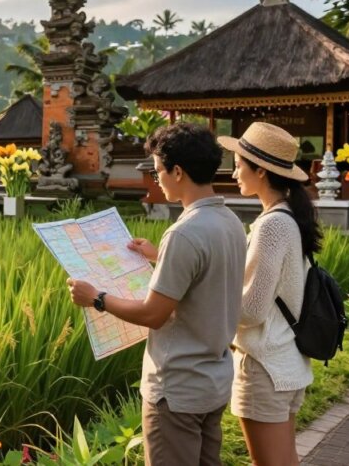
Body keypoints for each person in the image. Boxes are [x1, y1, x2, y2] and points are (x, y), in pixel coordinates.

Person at [67, 122, 246, 465]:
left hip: (177, 390)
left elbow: (154, 314)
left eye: (159, 170)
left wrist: (97, 298)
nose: (156, 178)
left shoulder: (184, 234)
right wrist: (157, 256)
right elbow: (206, 274)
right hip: (212, 382)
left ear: (178, 171)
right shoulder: (230, 222)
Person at [218, 122, 318, 466]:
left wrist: (198, 296)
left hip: (264, 367)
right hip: (284, 362)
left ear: (260, 170)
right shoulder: (288, 217)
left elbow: (252, 311)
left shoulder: (273, 225)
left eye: (238, 164)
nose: (233, 173)